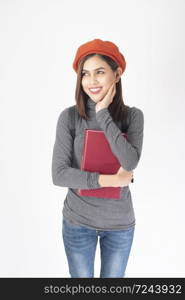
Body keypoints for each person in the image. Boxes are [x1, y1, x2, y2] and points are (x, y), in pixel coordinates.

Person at [51, 38, 144, 278]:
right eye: (85, 74)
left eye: (100, 72)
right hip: (78, 223)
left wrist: (103, 114)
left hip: (120, 226)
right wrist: (111, 180)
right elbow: (59, 174)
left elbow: (130, 161)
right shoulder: (69, 117)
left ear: (117, 73)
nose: (91, 81)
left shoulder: (133, 117)